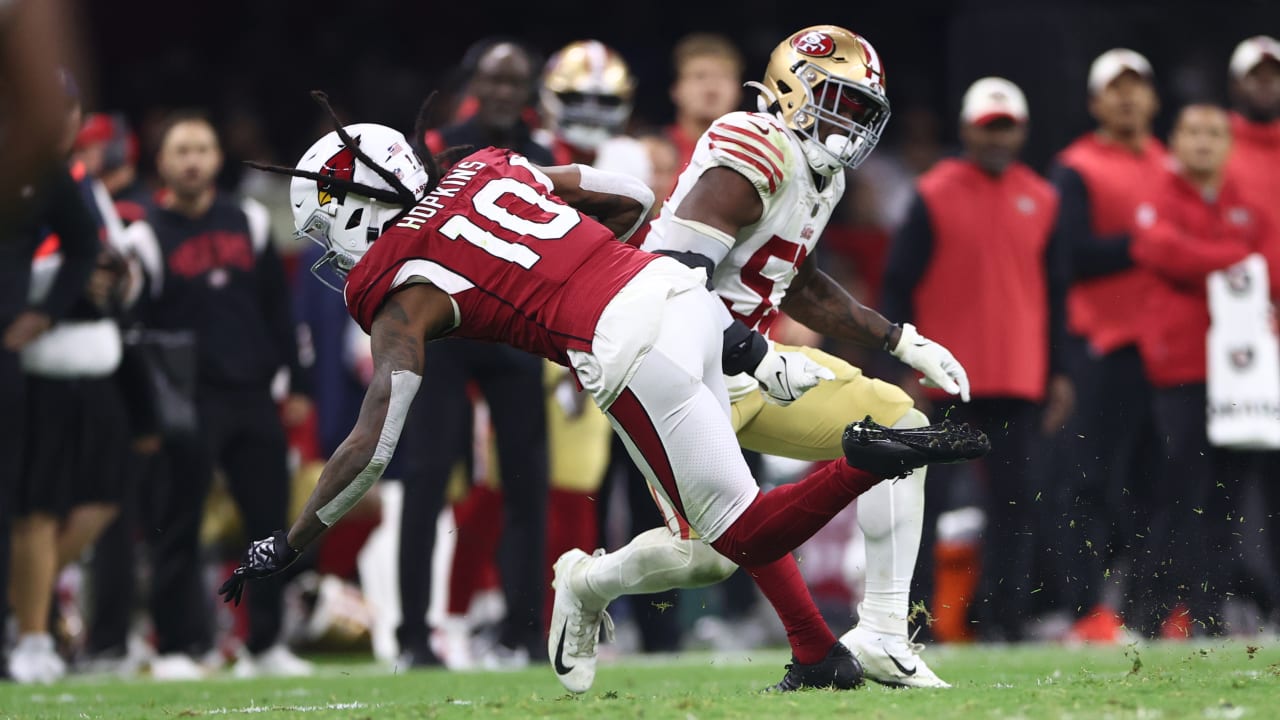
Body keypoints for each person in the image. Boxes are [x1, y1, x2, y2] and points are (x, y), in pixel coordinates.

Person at [215, 95, 986, 694]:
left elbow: (373, 444)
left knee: (735, 540)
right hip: (679, 292)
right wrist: (583, 266)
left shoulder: (397, 287)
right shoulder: (485, 165)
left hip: (621, 346)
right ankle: (811, 641)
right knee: (716, 548)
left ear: (353, 210)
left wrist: (290, 544)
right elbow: (628, 199)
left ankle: (861, 463)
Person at [556, 25, 972, 691]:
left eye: (863, 111)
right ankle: (585, 582)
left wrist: (898, 338)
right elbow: (672, 277)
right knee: (708, 559)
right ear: (789, 88)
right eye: (839, 100)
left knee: (902, 428)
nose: (850, 123)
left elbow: (793, 278)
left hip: (741, 363)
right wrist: (754, 353)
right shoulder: (752, 146)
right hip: (670, 369)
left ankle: (883, 632)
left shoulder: (818, 169)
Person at [123, 111, 313, 679]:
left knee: (270, 524)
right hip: (186, 401)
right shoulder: (143, 236)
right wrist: (146, 417)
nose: (192, 160)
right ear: (161, 162)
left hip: (252, 393)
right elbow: (134, 335)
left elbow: (280, 313)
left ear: (217, 157)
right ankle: (177, 648)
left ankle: (267, 643)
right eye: (181, 150)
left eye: (202, 149)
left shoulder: (250, 222)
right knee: (177, 523)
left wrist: (298, 381)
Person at [882, 77, 1071, 643]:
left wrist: (1058, 371)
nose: (997, 137)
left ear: (1022, 132)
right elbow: (897, 286)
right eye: (988, 127)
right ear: (966, 129)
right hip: (942, 379)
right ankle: (914, 625)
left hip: (1017, 378)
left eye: (1006, 126)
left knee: (1016, 506)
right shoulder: (933, 192)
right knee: (925, 506)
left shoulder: (1043, 197)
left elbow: (1057, 291)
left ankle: (1004, 620)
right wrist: (900, 366)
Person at [398, 37, 554, 669]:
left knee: (528, 483)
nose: (503, 94)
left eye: (515, 83)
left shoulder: (543, 155)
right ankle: (413, 637)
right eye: (494, 81)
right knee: (427, 475)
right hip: (444, 331)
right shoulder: (434, 148)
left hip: (512, 330)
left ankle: (523, 631)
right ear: (471, 82)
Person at [1129, 103, 1280, 637]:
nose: (1203, 143)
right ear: (1174, 139)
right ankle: (1146, 614)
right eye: (1193, 132)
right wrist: (1233, 259)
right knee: (1177, 493)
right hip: (1181, 368)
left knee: (1228, 498)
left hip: (1239, 373)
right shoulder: (1159, 194)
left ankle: (1209, 616)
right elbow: (1159, 249)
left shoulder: (1246, 203)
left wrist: (1217, 259)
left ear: (1229, 144)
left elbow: (1271, 264)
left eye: (1215, 133)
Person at [1047, 48, 1166, 641]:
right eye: (1114, 89)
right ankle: (1087, 610)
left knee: (1157, 485)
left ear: (1152, 98)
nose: (1126, 98)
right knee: (1089, 483)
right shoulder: (1077, 167)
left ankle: (1151, 611)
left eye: (1136, 87)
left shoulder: (1170, 166)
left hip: (1164, 350)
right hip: (1099, 345)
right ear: (1095, 102)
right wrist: (1144, 243)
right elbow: (1067, 256)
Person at [1, 68, 100, 683]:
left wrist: (42, 314)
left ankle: (26, 633)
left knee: (17, 501)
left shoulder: (34, 169)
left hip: (7, 355)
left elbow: (84, 244)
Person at [538, 39, 636, 166]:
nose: (590, 112)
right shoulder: (529, 153)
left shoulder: (633, 159)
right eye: (575, 98)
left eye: (605, 101)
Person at [1225, 36, 1280, 233]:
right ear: (1235, 84)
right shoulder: (1213, 143)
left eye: (1274, 76)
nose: (1266, 83)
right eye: (1256, 76)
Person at [665, 33, 745, 166]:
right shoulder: (649, 156)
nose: (712, 89)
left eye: (723, 77)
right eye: (700, 76)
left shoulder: (756, 158)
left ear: (739, 91)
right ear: (676, 89)